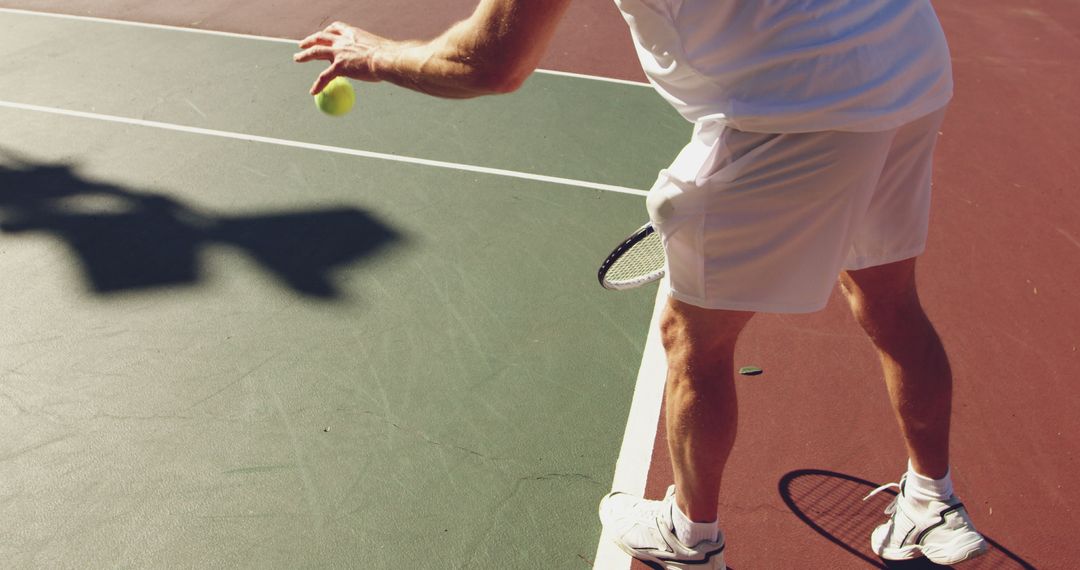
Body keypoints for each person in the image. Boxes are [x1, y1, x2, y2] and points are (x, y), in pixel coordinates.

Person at [294, 1, 988, 568]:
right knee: (888, 299)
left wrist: (376, 56)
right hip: (905, 60)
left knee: (694, 338)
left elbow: (489, 62)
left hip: (799, 106)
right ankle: (932, 502)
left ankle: (691, 536)